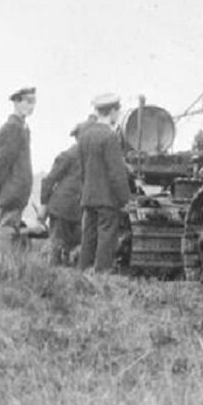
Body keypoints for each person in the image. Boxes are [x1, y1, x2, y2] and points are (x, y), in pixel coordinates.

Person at [77, 94, 131, 273]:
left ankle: (82, 272)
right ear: (113, 111)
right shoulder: (110, 137)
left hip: (88, 196)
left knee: (88, 236)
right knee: (106, 237)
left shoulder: (84, 135)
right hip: (107, 199)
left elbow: (83, 169)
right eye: (118, 111)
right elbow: (116, 173)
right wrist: (125, 199)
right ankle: (101, 275)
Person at [0, 87, 36, 253]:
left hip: (18, 190)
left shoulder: (22, 128)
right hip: (11, 189)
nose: (31, 106)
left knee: (11, 229)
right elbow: (1, 163)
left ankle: (4, 268)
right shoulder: (12, 128)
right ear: (16, 102)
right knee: (7, 229)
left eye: (34, 102)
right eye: (28, 101)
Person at [40, 123, 85, 266]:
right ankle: (53, 276)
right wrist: (44, 205)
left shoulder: (85, 156)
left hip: (75, 209)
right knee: (57, 246)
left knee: (69, 246)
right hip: (62, 208)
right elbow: (49, 180)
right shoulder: (69, 155)